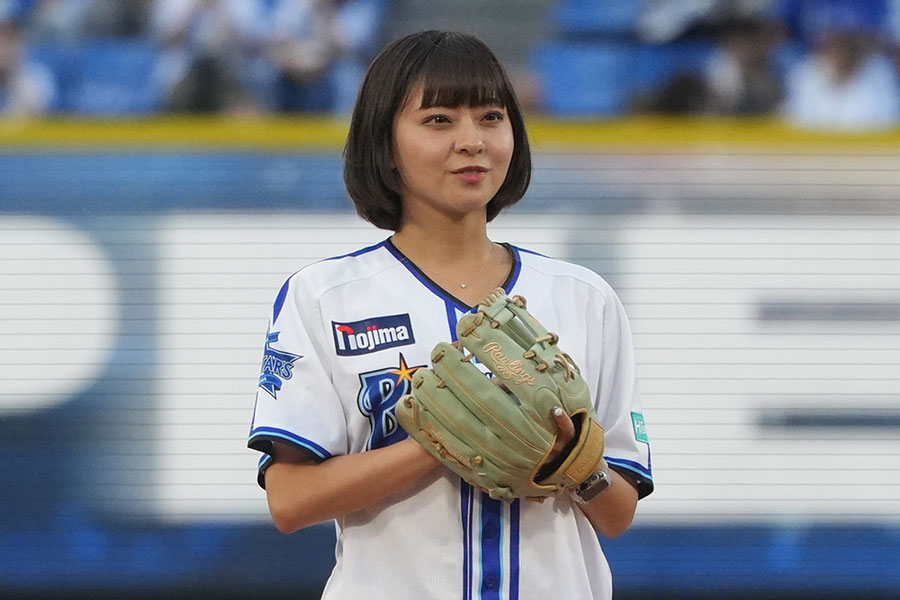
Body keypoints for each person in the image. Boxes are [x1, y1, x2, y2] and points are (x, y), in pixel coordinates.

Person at [247, 30, 654, 600]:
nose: (472, 141)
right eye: (439, 120)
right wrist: (445, 439)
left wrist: (575, 464)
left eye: (491, 117)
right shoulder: (324, 295)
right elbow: (290, 501)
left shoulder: (583, 297)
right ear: (385, 145)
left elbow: (617, 514)